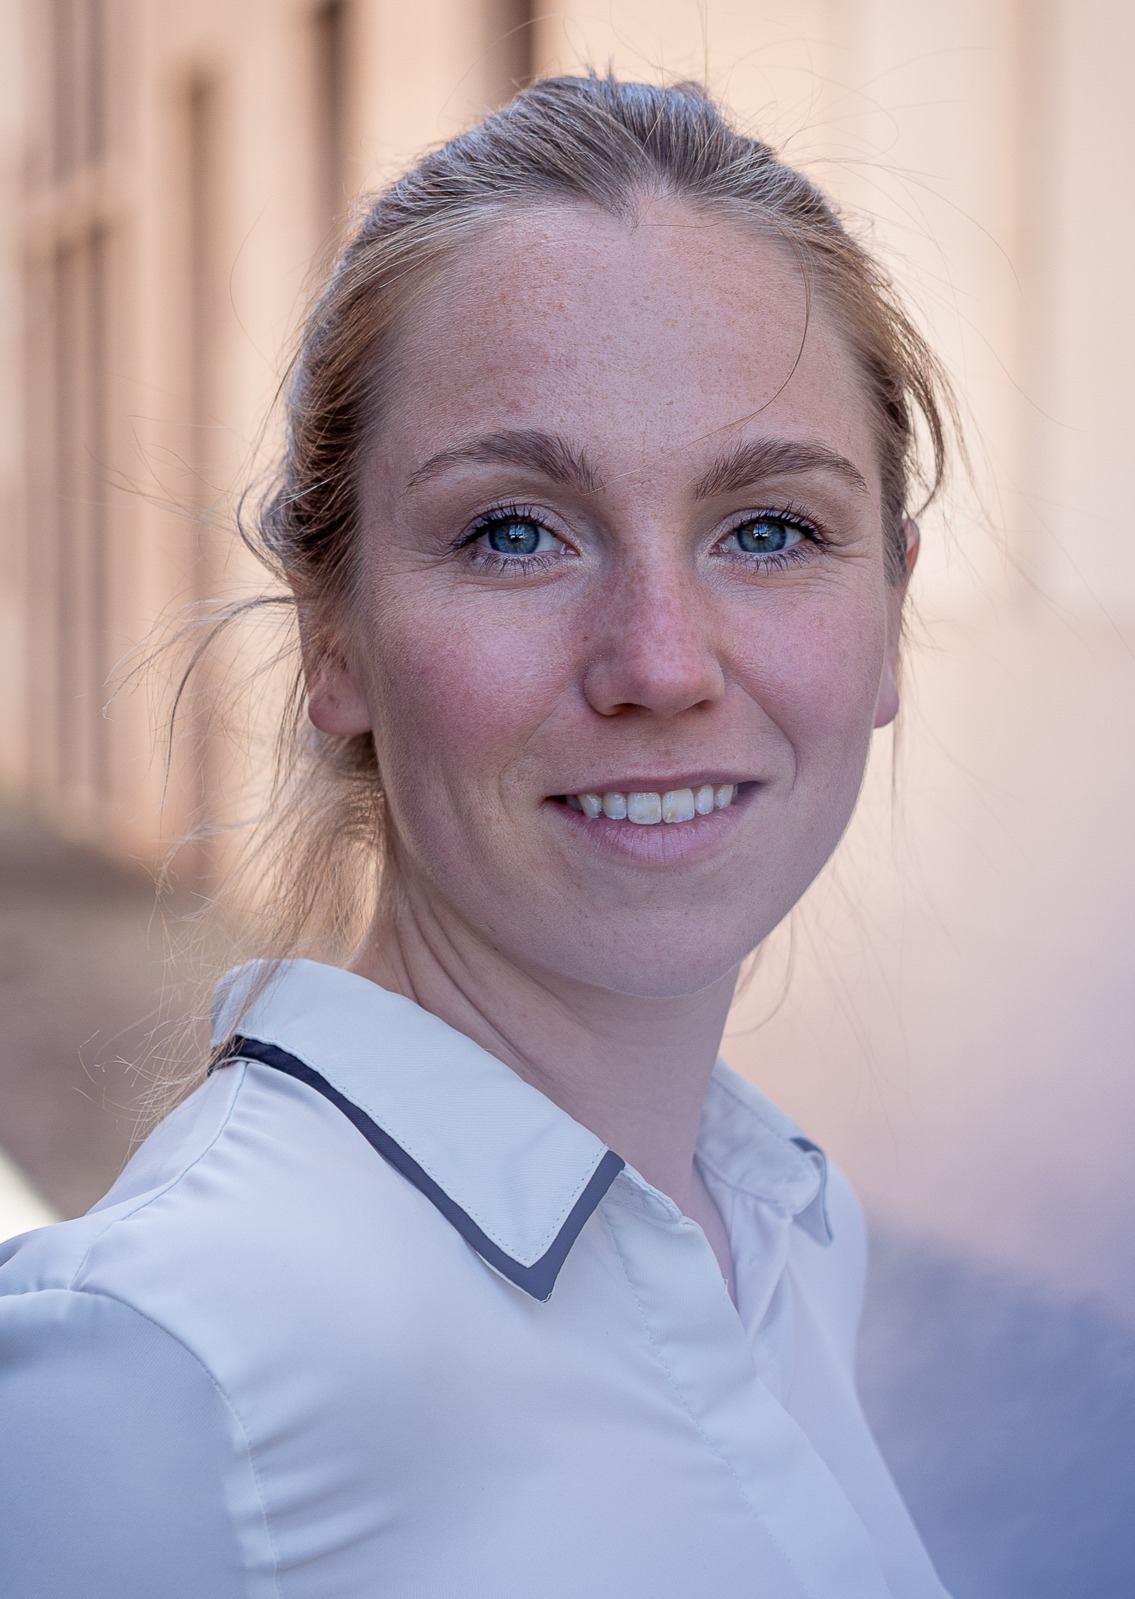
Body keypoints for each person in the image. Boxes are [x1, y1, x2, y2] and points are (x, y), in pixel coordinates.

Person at [0, 74, 953, 1597]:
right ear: (333, 635)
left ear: (891, 607)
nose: (661, 663)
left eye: (769, 529)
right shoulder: (165, 1367)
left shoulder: (778, 1222)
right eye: (515, 532)